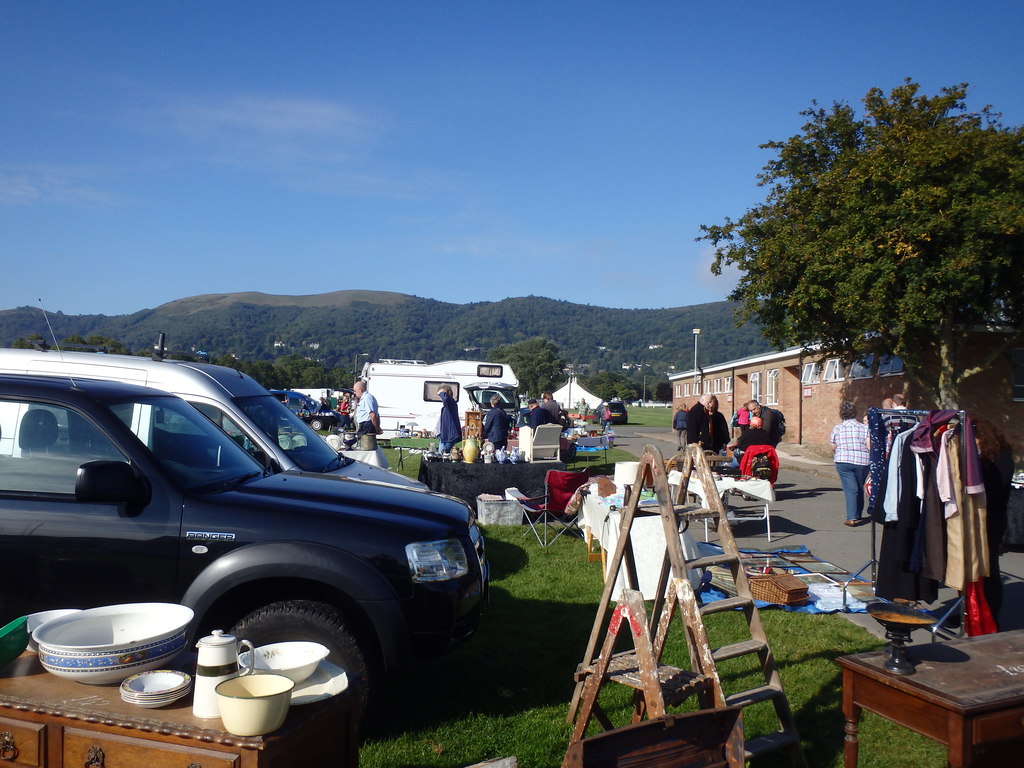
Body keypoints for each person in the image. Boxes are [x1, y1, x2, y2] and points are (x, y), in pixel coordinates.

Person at [975, 418, 1013, 629]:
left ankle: (992, 615)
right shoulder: (985, 458)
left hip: (992, 520)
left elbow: (997, 488)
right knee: (974, 569)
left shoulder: (1001, 458)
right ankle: (970, 611)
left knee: (989, 570)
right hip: (981, 519)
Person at [830, 401, 870, 526]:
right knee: (858, 486)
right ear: (854, 413)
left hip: (843, 461)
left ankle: (851, 517)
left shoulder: (837, 428)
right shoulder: (864, 428)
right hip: (862, 461)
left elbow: (832, 446)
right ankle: (857, 513)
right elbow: (869, 445)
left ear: (841, 413)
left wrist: (838, 448)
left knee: (850, 489)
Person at [435, 384, 462, 452]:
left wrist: (441, 393)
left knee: (442, 454)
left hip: (449, 436)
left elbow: (446, 399)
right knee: (442, 454)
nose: (440, 397)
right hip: (444, 436)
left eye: (441, 394)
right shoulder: (446, 407)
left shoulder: (451, 403)